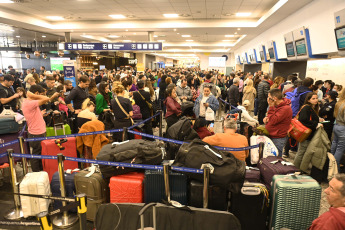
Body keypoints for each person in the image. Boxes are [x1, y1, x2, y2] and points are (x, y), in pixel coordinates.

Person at [22, 85, 59, 172]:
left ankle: (41, 172)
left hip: (37, 132)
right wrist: (33, 96)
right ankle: (37, 174)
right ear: (36, 93)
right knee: (36, 155)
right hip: (36, 133)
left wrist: (40, 114)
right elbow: (46, 99)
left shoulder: (29, 103)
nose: (41, 96)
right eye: (40, 94)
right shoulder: (30, 103)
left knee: (39, 154)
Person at [294, 92, 324, 170]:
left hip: (308, 134)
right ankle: (295, 169)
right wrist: (316, 124)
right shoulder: (306, 108)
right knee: (301, 152)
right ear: (308, 100)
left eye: (316, 98)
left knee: (303, 152)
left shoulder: (312, 108)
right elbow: (303, 120)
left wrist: (318, 119)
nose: (315, 100)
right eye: (313, 98)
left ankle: (299, 168)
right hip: (306, 134)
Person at [263, 89, 292, 157]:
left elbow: (273, 120)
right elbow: (272, 117)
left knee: (276, 157)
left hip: (278, 137)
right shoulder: (277, 105)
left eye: (269, 97)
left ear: (274, 98)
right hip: (271, 134)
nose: (267, 99)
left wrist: (271, 107)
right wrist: (267, 118)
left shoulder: (285, 108)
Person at [331, 89, 345, 170]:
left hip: (336, 126)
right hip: (343, 128)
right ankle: (335, 170)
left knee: (334, 145)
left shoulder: (339, 103)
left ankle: (330, 166)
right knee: (340, 149)